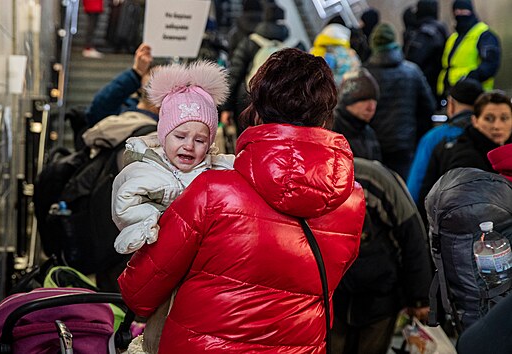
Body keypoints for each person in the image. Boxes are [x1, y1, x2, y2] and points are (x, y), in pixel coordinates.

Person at [118, 48, 366, 353]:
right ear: (327, 115)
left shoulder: (211, 192)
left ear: (257, 110)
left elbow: (138, 293)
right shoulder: (351, 201)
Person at [112, 61, 235, 354]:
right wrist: (150, 221)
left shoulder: (219, 171)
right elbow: (124, 205)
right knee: (160, 337)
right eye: (180, 136)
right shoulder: (145, 171)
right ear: (164, 132)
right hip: (160, 277)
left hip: (205, 287)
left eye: (200, 139)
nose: (189, 146)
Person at [331, 157, 431, 354]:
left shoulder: (373, 178)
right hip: (333, 299)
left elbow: (412, 238)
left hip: (379, 298)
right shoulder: (309, 180)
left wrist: (419, 298)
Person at [364, 23, 436, 180]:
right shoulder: (412, 71)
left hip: (374, 146)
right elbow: (428, 107)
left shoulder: (364, 75)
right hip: (405, 145)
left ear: (373, 45)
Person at [419, 90, 512, 206]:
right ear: (475, 121)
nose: (497, 126)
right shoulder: (463, 157)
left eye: (504, 118)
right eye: (489, 118)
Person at [407, 77, 483, 204]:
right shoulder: (492, 135)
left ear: (451, 104)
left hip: (443, 216)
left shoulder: (434, 138)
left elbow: (416, 188)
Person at [220, 3, 289, 131]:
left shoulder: (248, 42)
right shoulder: (294, 45)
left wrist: (226, 107)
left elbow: (234, 75)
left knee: (248, 141)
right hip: (282, 104)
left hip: (249, 101)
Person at [437, 0, 501, 98]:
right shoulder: (453, 38)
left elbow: (491, 64)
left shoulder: (484, 34)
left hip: (475, 94)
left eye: (463, 10)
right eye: (457, 11)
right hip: (451, 94)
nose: (459, 13)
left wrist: (470, 78)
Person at [84, 43, 158, 128]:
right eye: (153, 75)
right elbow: (98, 110)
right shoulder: (125, 106)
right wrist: (136, 72)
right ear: (142, 79)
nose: (159, 83)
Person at [332, 68, 382, 161]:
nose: (371, 108)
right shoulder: (330, 129)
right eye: (363, 100)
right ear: (348, 101)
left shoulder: (368, 132)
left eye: (374, 101)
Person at [404, 0, 448, 105]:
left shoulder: (425, 33)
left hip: (427, 83)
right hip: (436, 83)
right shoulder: (439, 29)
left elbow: (413, 59)